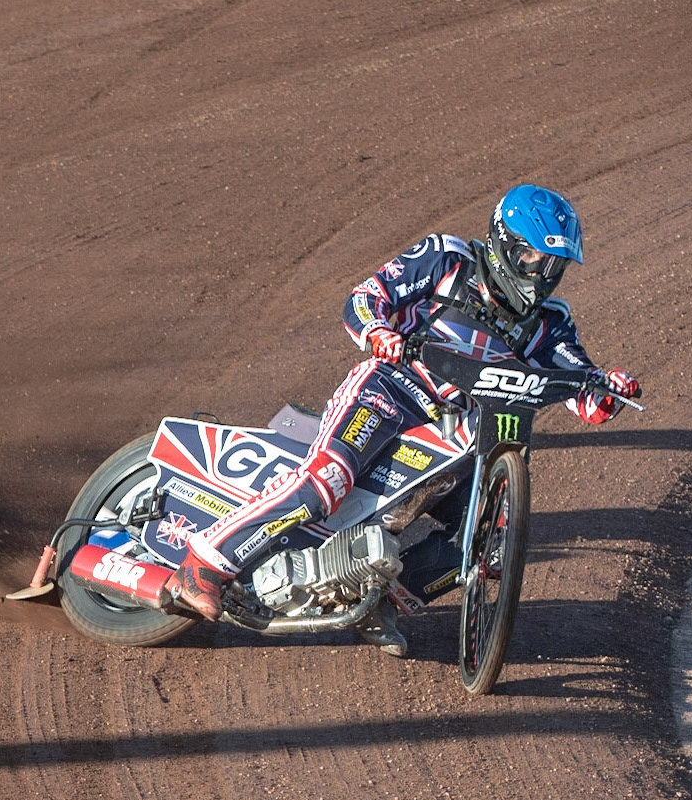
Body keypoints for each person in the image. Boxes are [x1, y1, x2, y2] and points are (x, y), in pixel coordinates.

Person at [166, 184, 641, 654]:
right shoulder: (447, 259)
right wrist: (377, 330)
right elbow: (364, 299)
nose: (541, 277)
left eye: (554, 267)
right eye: (532, 260)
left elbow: (584, 391)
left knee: (491, 543)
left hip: (457, 433)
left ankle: (378, 603)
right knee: (325, 482)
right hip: (388, 390)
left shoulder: (551, 321)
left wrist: (609, 388)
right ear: (503, 245)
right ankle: (206, 563)